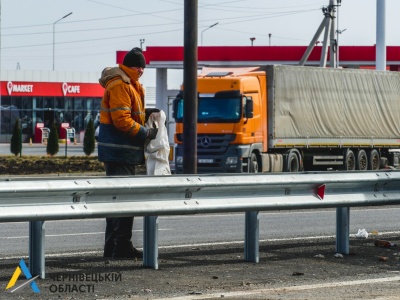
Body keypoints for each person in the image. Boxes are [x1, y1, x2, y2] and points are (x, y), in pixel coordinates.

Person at [98, 47, 159, 259]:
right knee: (123, 201)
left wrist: (146, 116)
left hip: (121, 152)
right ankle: (120, 247)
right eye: (137, 66)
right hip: (119, 152)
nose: (141, 70)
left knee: (117, 200)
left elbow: (129, 114)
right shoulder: (120, 84)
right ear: (127, 66)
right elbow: (122, 120)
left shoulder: (131, 84)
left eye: (143, 66)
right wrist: (146, 133)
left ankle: (113, 247)